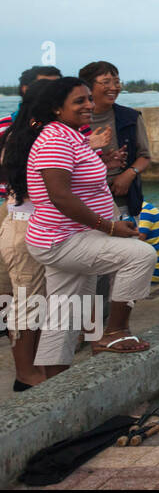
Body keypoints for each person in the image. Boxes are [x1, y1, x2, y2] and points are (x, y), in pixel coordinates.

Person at [7, 78, 155, 370]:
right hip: (62, 239)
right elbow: (60, 195)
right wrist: (109, 227)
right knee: (140, 255)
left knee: (65, 314)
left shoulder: (70, 135)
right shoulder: (55, 139)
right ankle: (114, 332)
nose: (88, 105)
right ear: (56, 109)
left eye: (88, 99)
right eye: (79, 101)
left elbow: (76, 179)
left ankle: (54, 387)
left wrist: (105, 163)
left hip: (71, 235)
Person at [0, 66, 62, 389]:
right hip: (27, 230)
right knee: (27, 304)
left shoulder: (21, 135)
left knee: (36, 304)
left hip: (24, 226)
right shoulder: (30, 139)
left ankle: (34, 370)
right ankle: (26, 374)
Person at [78, 61, 151, 216]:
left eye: (117, 82)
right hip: (82, 203)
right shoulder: (72, 121)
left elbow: (144, 156)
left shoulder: (130, 118)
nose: (114, 87)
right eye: (106, 82)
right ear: (87, 87)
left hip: (123, 201)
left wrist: (129, 174)